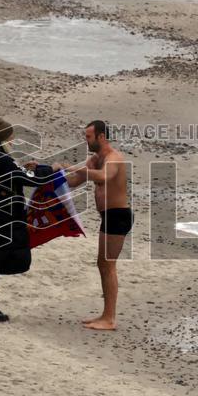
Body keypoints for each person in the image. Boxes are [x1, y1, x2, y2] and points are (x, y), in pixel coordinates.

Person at [0, 116, 54, 322]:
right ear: (6, 137)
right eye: (11, 136)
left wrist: (27, 168)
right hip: (4, 211)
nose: (13, 140)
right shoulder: (4, 159)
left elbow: (11, 174)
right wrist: (49, 169)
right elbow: (32, 180)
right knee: (4, 255)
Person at [56, 120, 132, 331]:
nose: (86, 141)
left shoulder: (113, 158)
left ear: (101, 137)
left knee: (108, 265)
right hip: (108, 217)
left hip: (119, 216)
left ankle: (109, 319)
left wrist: (69, 166)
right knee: (103, 264)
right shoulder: (94, 159)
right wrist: (45, 172)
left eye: (89, 137)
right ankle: (105, 314)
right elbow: (73, 181)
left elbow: (103, 176)